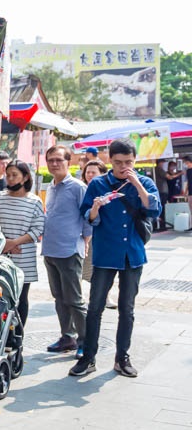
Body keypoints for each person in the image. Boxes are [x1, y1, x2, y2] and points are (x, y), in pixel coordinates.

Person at [71, 138, 162, 378]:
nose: (124, 167)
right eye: (119, 162)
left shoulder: (144, 182)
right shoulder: (99, 183)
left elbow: (155, 210)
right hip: (105, 254)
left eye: (129, 162)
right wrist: (95, 210)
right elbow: (87, 216)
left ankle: (122, 357)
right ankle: (88, 357)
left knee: (127, 308)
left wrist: (137, 185)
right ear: (109, 160)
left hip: (133, 253)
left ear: (135, 160)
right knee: (95, 307)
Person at [42, 146, 92, 356]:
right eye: (50, 160)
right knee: (59, 298)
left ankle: (85, 342)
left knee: (75, 300)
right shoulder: (51, 187)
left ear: (68, 162)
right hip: (50, 250)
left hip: (70, 250)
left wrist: (86, 242)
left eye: (58, 160)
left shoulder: (78, 187)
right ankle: (67, 337)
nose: (54, 164)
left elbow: (88, 217)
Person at [0, 160, 45, 326]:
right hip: (0, 254)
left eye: (15, 175)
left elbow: (38, 229)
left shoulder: (34, 201)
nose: (10, 179)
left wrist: (13, 243)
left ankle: (17, 333)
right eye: (8, 175)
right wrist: (4, 243)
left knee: (21, 297)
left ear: (25, 177)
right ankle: (2, 333)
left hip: (24, 256)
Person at [80, 159, 114, 314]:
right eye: (88, 172)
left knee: (103, 268)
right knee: (84, 267)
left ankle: (105, 296)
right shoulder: (81, 188)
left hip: (101, 235)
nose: (90, 175)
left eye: (94, 172)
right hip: (83, 234)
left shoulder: (107, 191)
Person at [163, 160, 183, 231]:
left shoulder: (176, 173)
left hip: (177, 192)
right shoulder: (168, 174)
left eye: (174, 166)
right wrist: (179, 174)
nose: (173, 167)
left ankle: (178, 221)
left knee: (177, 206)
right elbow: (171, 177)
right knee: (171, 206)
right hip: (170, 192)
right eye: (172, 166)